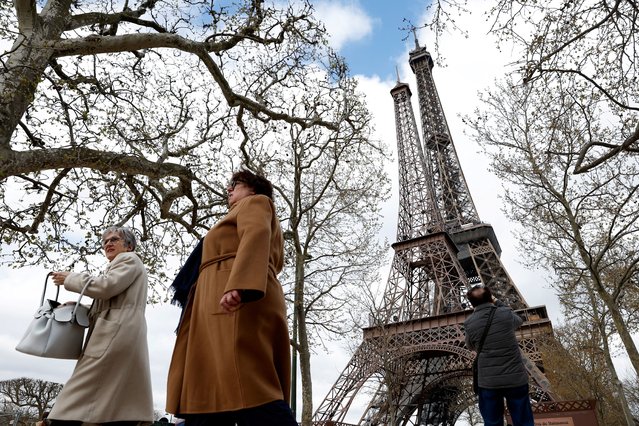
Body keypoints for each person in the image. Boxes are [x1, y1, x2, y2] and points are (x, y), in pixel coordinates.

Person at [166, 169, 296, 426]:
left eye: (236, 184)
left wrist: (240, 285)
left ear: (254, 189)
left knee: (247, 382)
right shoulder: (239, 212)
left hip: (234, 296)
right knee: (211, 386)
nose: (229, 189)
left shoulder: (256, 203)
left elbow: (255, 234)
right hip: (214, 296)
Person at [47, 226, 153, 426]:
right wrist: (83, 308)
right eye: (105, 242)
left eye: (114, 239)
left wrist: (71, 278)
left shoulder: (129, 259)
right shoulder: (124, 264)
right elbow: (111, 298)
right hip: (121, 330)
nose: (108, 244)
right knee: (116, 396)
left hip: (115, 333)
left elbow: (105, 287)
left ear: (129, 245)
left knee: (74, 397)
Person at [464, 285, 534, 426]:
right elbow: (519, 320)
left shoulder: (469, 323)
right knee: (524, 421)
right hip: (515, 378)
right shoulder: (505, 314)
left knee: (492, 422)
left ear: (472, 304)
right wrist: (498, 302)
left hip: (488, 382)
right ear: (491, 297)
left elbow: (470, 346)